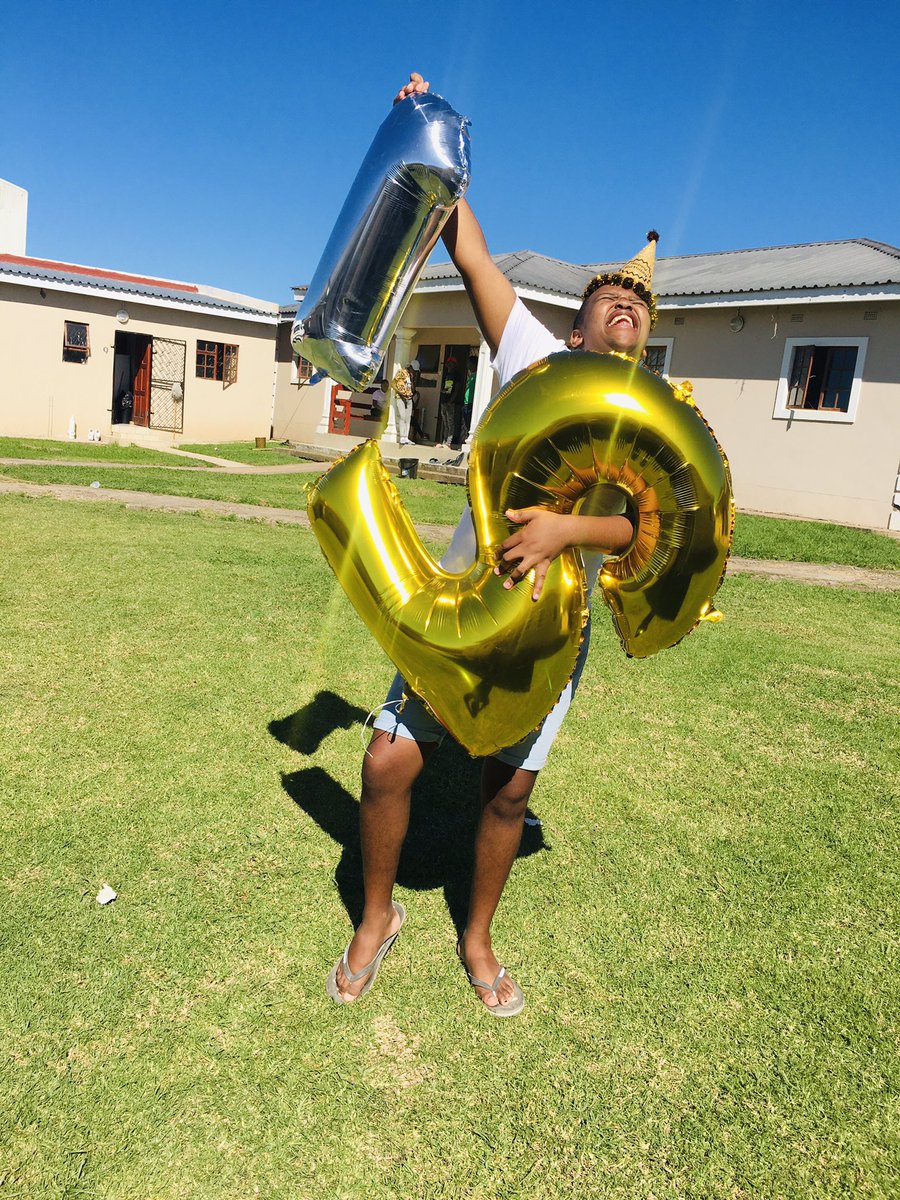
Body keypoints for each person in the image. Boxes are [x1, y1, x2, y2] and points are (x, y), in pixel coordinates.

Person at [327, 71, 658, 1016]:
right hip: (465, 598)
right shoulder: (533, 357)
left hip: (552, 632)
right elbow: (468, 253)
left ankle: (476, 939)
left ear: (646, 337)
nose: (623, 309)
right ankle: (377, 917)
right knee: (389, 758)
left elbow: (647, 526)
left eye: (638, 308)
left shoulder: (654, 419)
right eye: (608, 300)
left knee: (506, 792)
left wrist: (567, 530)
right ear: (581, 318)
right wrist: (426, 135)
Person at [391, 358, 419, 445]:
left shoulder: (412, 375)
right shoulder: (401, 372)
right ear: (410, 367)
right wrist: (399, 392)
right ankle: (402, 437)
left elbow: (412, 388)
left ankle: (406, 437)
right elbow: (393, 383)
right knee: (402, 416)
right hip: (400, 397)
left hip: (409, 398)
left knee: (408, 417)